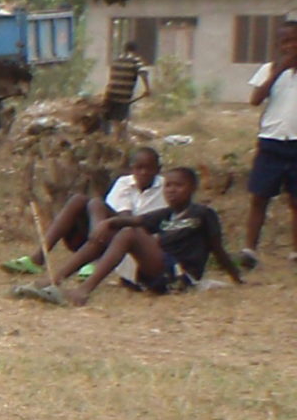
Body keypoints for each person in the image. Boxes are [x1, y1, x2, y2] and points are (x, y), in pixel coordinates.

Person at [29, 165, 246, 304]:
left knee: (129, 234)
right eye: (168, 186)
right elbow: (135, 219)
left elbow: (218, 249)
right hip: (157, 271)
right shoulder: (166, 214)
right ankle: (56, 279)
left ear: (192, 189)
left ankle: (83, 291)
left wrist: (237, 279)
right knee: (119, 229)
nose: (171, 190)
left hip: (180, 276)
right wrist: (109, 222)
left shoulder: (203, 214)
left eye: (179, 186)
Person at [39, 146, 163, 254]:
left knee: (97, 204)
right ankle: (40, 255)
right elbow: (123, 215)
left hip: (141, 239)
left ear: (158, 169)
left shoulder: (165, 187)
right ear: (132, 168)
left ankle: (93, 253)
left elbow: (130, 221)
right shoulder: (124, 183)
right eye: (139, 168)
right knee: (79, 200)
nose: (144, 172)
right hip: (113, 231)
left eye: (149, 168)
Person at [245, 20, 297, 263]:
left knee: (295, 200)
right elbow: (255, 99)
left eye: (294, 40)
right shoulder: (269, 69)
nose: (290, 46)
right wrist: (278, 72)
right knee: (259, 196)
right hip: (271, 141)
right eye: (285, 41)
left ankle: (295, 251)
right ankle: (249, 249)